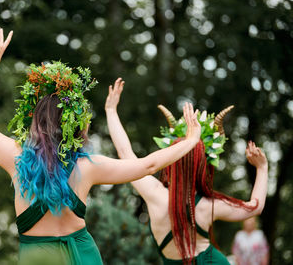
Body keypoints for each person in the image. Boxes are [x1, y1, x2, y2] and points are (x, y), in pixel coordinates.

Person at [0, 28, 202, 265]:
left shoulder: (15, 157)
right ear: (76, 128)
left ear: (36, 121)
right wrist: (190, 141)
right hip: (84, 256)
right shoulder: (88, 167)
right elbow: (149, 164)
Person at [105, 78, 269, 265]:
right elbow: (255, 206)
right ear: (203, 167)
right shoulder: (208, 205)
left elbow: (125, 153)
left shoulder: (154, 194)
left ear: (170, 161)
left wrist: (111, 111)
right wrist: (262, 168)